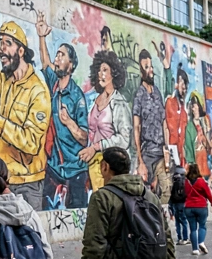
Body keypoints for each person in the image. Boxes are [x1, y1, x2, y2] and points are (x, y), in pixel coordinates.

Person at [0, 22, 51, 211]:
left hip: (28, 184)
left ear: (21, 51)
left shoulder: (38, 91)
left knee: (27, 237)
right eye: (0, 43)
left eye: (7, 43)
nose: (1, 49)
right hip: (5, 181)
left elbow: (31, 143)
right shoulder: (7, 83)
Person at [36, 12, 90, 209]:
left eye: (62, 55)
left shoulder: (77, 97)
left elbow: (84, 138)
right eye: (57, 54)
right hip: (55, 166)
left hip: (75, 168)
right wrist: (41, 36)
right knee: (45, 209)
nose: (57, 58)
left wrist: (69, 123)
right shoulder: (54, 85)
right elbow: (44, 62)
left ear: (71, 65)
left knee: (78, 214)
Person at [80, 50, 130, 191]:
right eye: (99, 70)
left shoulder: (119, 103)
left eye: (105, 70)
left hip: (109, 166)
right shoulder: (93, 100)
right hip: (92, 163)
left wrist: (97, 147)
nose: (101, 74)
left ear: (114, 73)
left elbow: (124, 139)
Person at [131, 49, 169, 196]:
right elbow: (136, 128)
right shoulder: (139, 96)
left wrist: (167, 149)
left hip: (161, 152)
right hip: (147, 153)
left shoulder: (157, 92)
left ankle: (162, 218)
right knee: (144, 193)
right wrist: (140, 160)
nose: (151, 70)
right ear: (141, 73)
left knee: (167, 191)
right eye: (147, 67)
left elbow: (164, 122)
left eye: (151, 66)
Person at [183, 162, 212, 255]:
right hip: (201, 207)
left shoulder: (186, 182)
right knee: (202, 226)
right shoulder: (201, 181)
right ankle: (201, 242)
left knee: (193, 229)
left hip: (189, 207)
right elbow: (209, 195)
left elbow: (184, 193)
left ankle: (195, 249)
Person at [167, 164, 189, 245]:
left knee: (178, 222)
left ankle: (179, 238)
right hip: (183, 204)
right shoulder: (184, 182)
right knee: (184, 221)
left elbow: (171, 197)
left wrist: (171, 210)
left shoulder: (174, 183)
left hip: (176, 204)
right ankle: (185, 238)